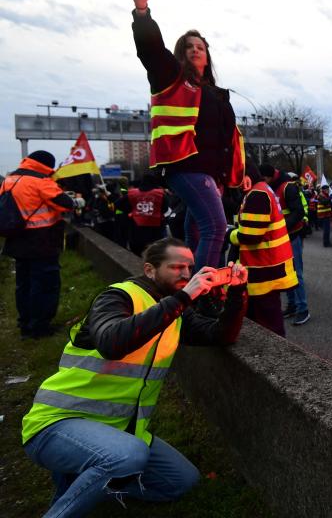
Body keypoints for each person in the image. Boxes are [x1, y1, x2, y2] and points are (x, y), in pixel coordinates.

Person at [20, 237, 247, 517]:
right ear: (150, 270)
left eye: (190, 267)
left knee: (181, 481)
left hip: (119, 429)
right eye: (177, 267)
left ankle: (93, 480)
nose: (187, 275)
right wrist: (184, 297)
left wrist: (237, 294)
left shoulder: (174, 310)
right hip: (59, 423)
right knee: (129, 455)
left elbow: (220, 335)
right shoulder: (117, 297)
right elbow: (112, 343)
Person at [129, 0, 245, 273]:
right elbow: (151, 50)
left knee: (197, 232)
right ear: (182, 53)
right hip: (186, 167)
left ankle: (197, 284)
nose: (195, 50)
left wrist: (244, 176)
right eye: (189, 46)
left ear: (207, 56)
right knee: (216, 228)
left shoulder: (217, 95)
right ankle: (199, 296)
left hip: (210, 173)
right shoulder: (173, 77)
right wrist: (142, 12)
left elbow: (229, 141)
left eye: (200, 47)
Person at [1, 151, 75, 339]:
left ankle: (25, 324)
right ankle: (40, 327)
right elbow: (66, 204)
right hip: (42, 241)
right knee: (45, 285)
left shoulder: (10, 179)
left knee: (23, 284)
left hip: (17, 239)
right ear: (46, 164)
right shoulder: (41, 181)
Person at [228, 163, 297, 336]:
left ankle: (277, 359)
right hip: (266, 267)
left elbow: (250, 236)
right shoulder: (262, 189)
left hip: (263, 271)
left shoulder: (257, 194)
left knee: (269, 327)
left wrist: (230, 234)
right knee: (266, 321)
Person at [261, 165, 311, 325]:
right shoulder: (273, 187)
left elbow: (298, 212)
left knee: (296, 273)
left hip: (291, 235)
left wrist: (281, 228)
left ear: (269, 176)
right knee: (285, 273)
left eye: (264, 179)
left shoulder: (288, 187)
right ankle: (292, 305)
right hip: (280, 237)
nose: (263, 182)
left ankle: (303, 309)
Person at [119, 173, 168, 256]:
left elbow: (119, 206)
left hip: (136, 233)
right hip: (155, 232)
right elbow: (165, 208)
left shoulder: (131, 194)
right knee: (155, 255)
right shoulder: (160, 194)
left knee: (137, 255)